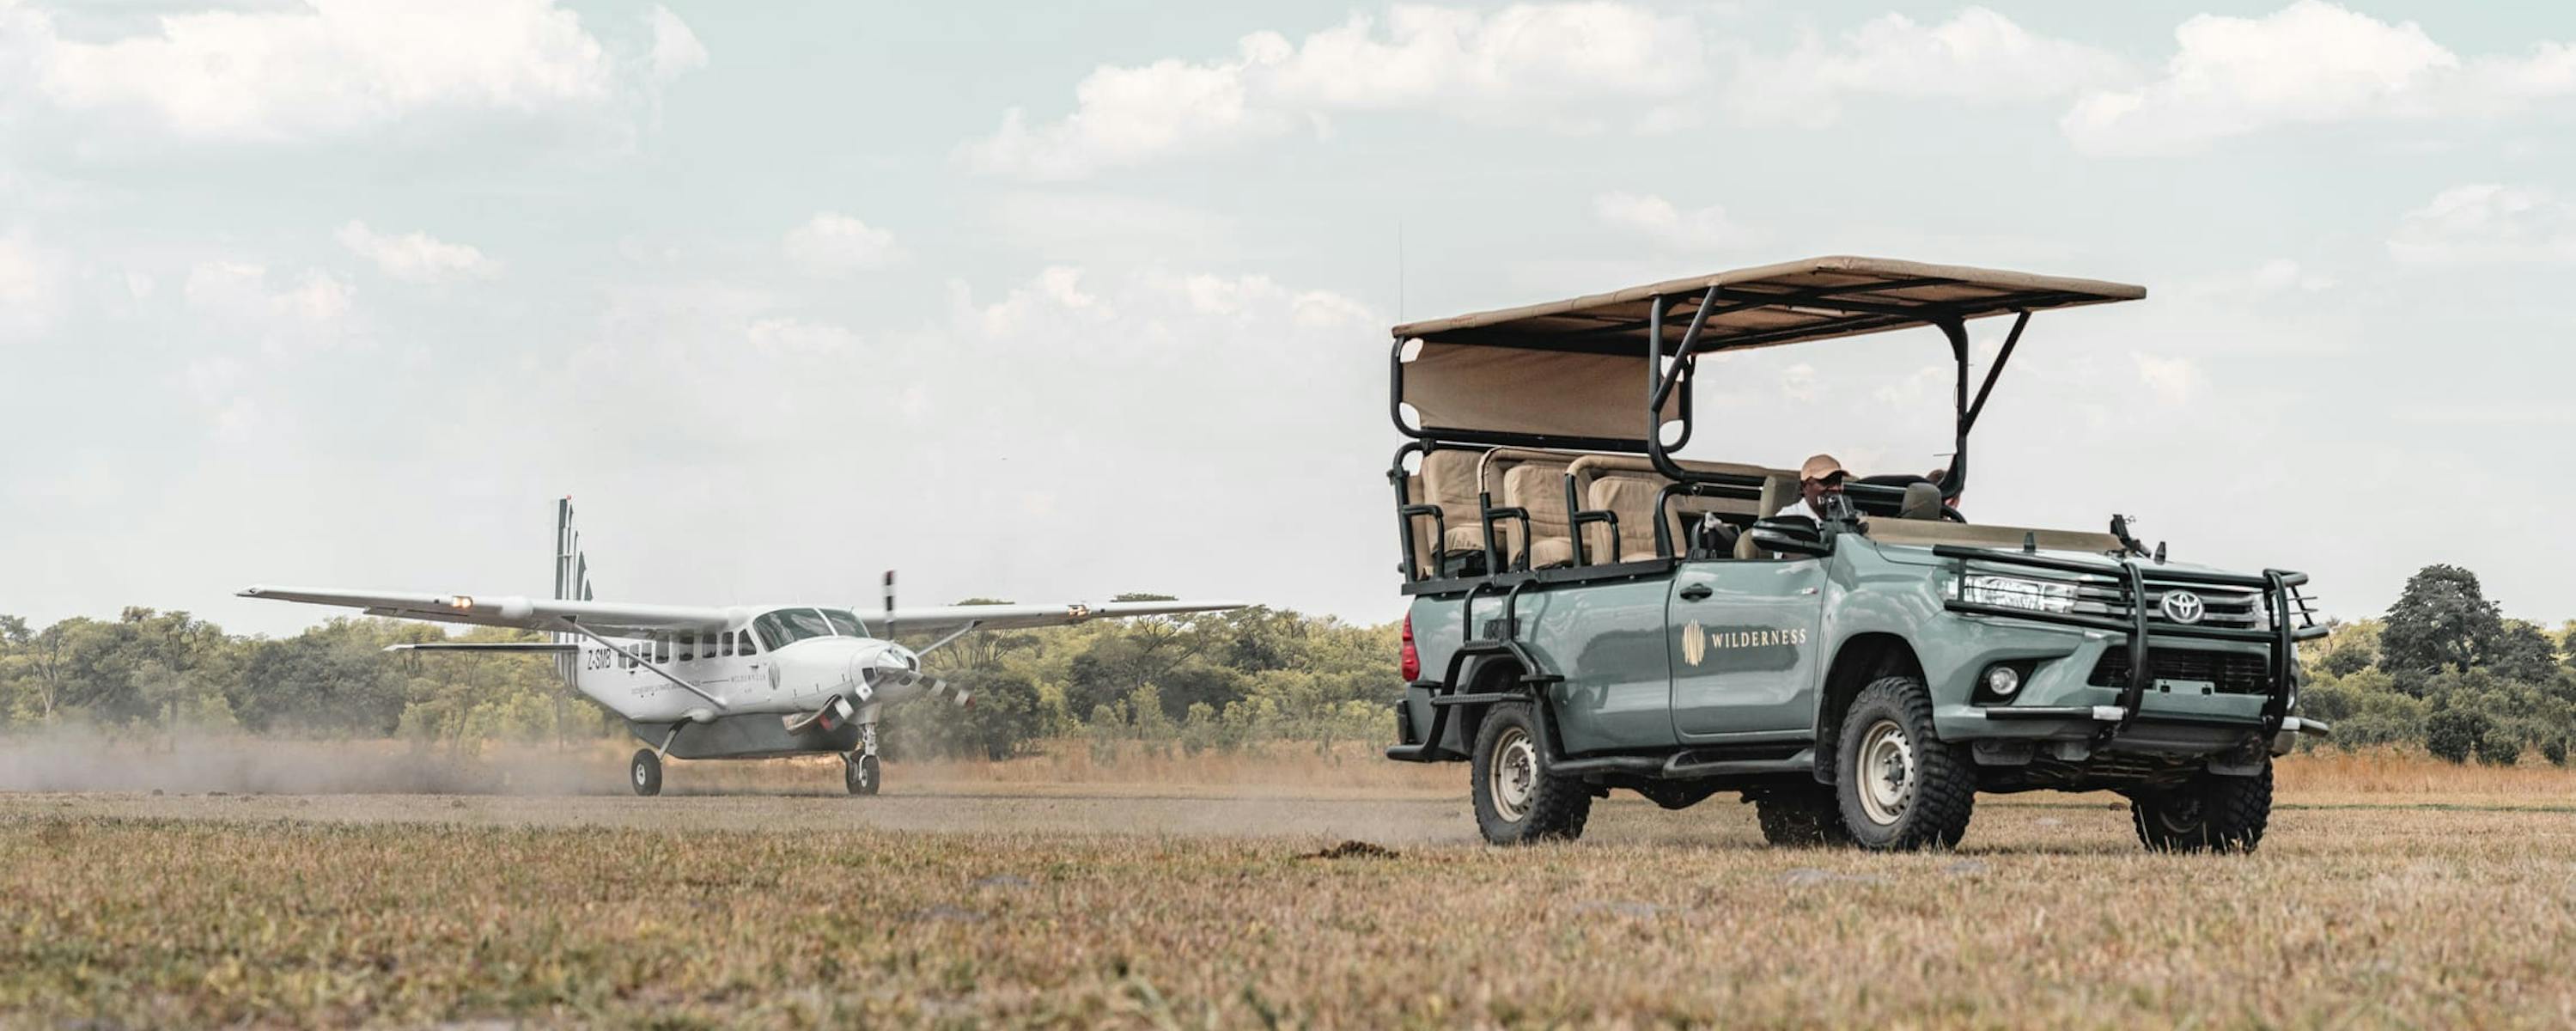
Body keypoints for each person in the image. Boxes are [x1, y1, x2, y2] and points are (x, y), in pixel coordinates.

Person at [1772, 454, 1849, 522]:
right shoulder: (1789, 518)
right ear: (1803, 487)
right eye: (1825, 482)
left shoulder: (1849, 516)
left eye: (1838, 482)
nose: (1835, 488)